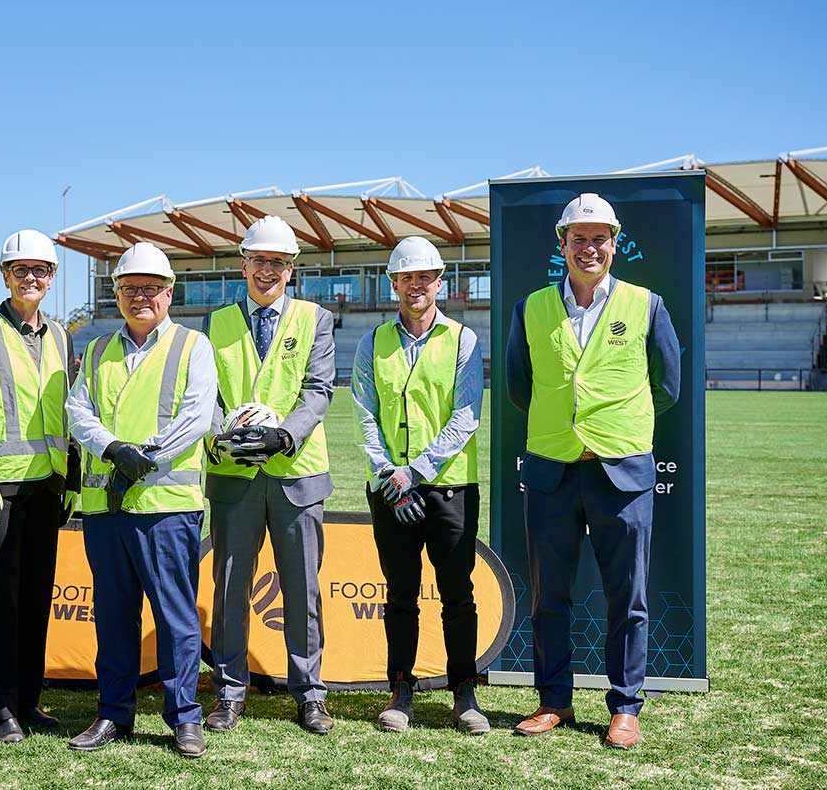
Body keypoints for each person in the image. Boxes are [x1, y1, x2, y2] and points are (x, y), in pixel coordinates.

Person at [505, 193, 680, 750]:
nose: (589, 247)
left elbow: (668, 386)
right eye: (577, 238)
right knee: (548, 596)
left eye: (599, 237)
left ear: (614, 244)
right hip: (553, 471)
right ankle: (553, 700)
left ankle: (625, 706)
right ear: (562, 245)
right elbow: (517, 386)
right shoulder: (531, 307)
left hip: (621, 473)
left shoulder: (646, 304)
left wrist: (619, 425)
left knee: (626, 597)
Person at [64, 242, 218, 758]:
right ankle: (114, 713)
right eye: (130, 288)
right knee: (112, 616)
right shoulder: (98, 347)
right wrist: (113, 449)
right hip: (107, 509)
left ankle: (184, 718)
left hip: (166, 508)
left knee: (176, 617)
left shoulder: (193, 346)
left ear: (169, 292)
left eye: (151, 288)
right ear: (117, 294)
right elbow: (77, 410)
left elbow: (196, 417)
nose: (140, 297)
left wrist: (144, 460)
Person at [202, 215, 337, 735]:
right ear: (243, 263)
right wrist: (224, 437)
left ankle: (310, 694)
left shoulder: (315, 318)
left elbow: (318, 391)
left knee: (301, 591)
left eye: (278, 262)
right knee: (230, 589)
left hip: (296, 474)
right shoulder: (215, 323)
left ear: (291, 269)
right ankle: (230, 694)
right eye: (259, 260)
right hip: (234, 476)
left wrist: (285, 436)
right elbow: (206, 396)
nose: (268, 270)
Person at [350, 237, 488, 735]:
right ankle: (400, 690)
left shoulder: (463, 340)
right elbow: (365, 412)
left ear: (439, 283)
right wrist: (390, 473)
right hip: (390, 488)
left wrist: (417, 471)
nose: (416, 285)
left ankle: (464, 692)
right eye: (407, 277)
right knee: (400, 593)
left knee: (458, 594)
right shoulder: (372, 341)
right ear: (394, 284)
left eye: (425, 277)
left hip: (447, 489)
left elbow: (466, 416)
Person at [0, 229, 79, 743]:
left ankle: (29, 699)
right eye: (21, 270)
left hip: (45, 490)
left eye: (41, 270)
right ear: (5, 275)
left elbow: (68, 414)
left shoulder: (62, 335)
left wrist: (70, 477)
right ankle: (0, 707)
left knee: (35, 598)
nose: (32, 278)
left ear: (52, 278)